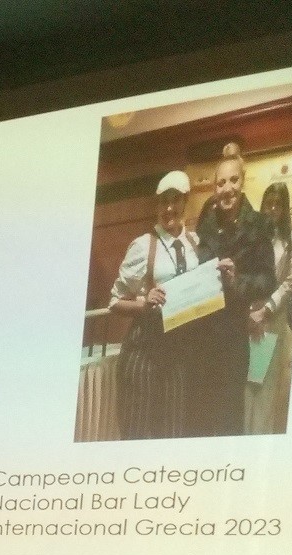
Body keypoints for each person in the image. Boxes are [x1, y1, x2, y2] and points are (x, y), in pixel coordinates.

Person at [108, 170, 203, 440]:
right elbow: (114, 301)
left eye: (175, 200)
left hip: (180, 352)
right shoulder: (143, 246)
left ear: (186, 201)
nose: (169, 208)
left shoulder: (196, 243)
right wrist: (144, 302)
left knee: (173, 431)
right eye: (163, 201)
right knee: (138, 431)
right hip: (144, 351)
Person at [194, 143, 276, 437]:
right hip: (201, 332)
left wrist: (236, 281)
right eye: (220, 182)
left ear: (242, 182)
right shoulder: (206, 220)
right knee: (200, 415)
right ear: (214, 188)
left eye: (233, 180)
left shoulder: (258, 225)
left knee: (229, 416)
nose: (227, 188)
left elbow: (268, 280)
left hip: (232, 334)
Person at [247, 180, 292, 434]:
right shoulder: (254, 235)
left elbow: (290, 282)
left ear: (285, 208)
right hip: (248, 318)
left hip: (272, 318)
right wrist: (250, 311)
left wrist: (266, 309)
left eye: (277, 205)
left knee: (265, 387)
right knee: (247, 386)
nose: (271, 209)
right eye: (268, 204)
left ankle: (261, 443)